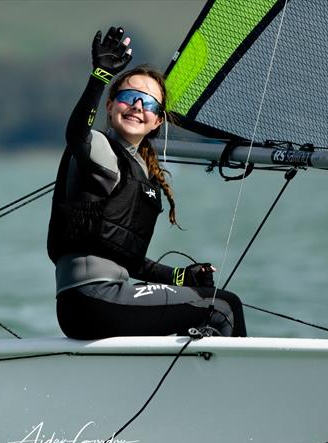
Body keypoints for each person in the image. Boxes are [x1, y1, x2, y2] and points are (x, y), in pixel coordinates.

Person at [47, 27, 246, 339]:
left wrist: (180, 277)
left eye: (149, 104)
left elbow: (129, 259)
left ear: (158, 120)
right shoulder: (100, 149)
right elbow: (77, 134)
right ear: (111, 106)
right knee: (222, 308)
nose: (138, 106)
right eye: (129, 97)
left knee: (209, 306)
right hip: (92, 301)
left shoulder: (142, 172)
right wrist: (100, 75)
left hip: (103, 300)